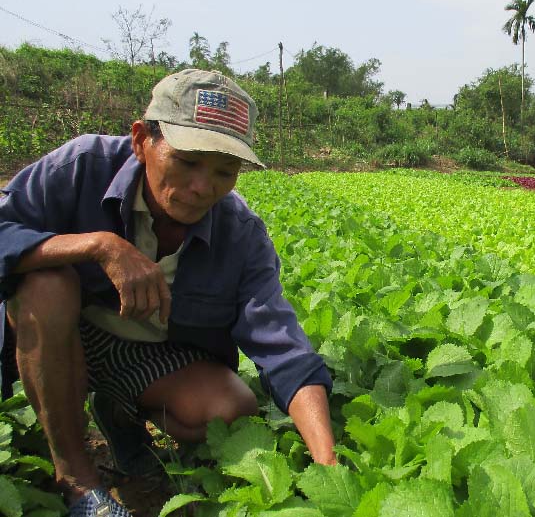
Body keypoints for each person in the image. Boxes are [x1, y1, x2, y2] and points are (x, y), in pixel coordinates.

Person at [0, 69, 336, 516]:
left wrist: (328, 466)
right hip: (55, 331)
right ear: (142, 140)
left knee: (229, 409)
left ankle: (117, 412)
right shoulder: (80, 167)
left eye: (224, 170)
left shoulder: (241, 236)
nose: (202, 188)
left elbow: (284, 347)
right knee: (48, 283)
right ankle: (78, 480)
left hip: (143, 352)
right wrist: (98, 246)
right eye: (188, 161)